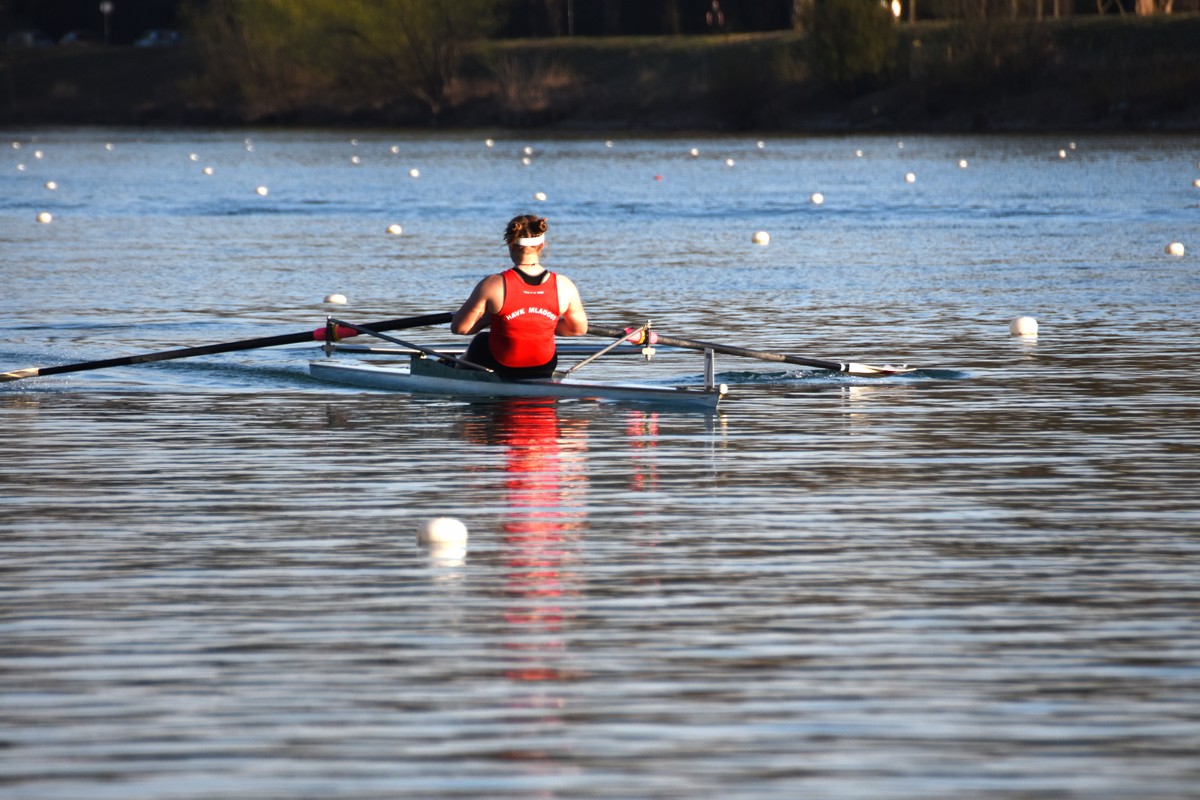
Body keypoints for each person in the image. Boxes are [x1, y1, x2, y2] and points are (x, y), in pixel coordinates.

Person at [451, 214, 588, 379]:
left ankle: (455, 372)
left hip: (501, 364)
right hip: (544, 365)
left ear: (511, 246)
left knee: (480, 340)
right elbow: (578, 329)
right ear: (542, 245)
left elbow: (460, 328)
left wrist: (488, 319)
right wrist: (539, 322)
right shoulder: (564, 285)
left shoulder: (493, 284)